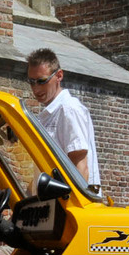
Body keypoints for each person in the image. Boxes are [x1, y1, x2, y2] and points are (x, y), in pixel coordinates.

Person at [26, 48, 101, 187]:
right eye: (31, 82)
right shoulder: (47, 115)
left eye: (42, 81)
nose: (36, 88)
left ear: (59, 76)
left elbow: (80, 166)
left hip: (68, 205)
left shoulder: (69, 109)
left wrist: (73, 207)